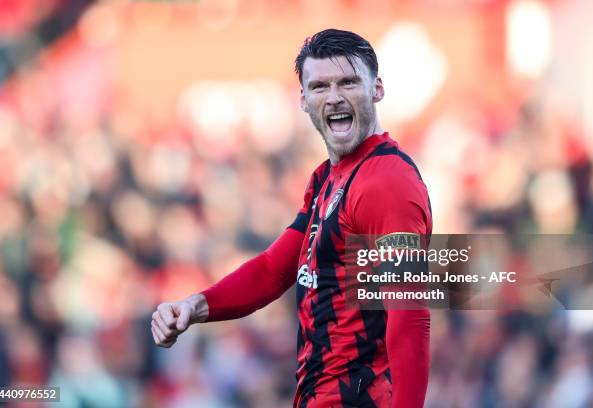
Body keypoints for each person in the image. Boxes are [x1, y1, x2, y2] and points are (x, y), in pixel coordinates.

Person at [151, 29, 432, 408]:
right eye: (319, 86)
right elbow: (273, 270)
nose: (334, 97)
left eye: (348, 82)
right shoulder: (328, 178)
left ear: (377, 89)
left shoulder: (385, 181)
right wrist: (194, 306)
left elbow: (409, 315)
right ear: (302, 99)